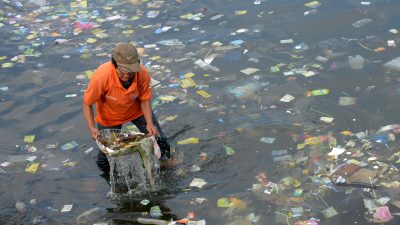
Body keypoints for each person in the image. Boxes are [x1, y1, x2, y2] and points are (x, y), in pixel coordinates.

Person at [82, 42, 171, 176]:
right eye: (123, 71)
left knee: (161, 143)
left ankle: (163, 168)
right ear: (115, 64)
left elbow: (145, 100)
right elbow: (87, 104)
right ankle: (115, 180)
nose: (127, 75)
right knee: (105, 159)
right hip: (109, 117)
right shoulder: (102, 76)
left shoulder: (142, 74)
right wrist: (92, 128)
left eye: (131, 71)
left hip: (137, 111)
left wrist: (149, 124)